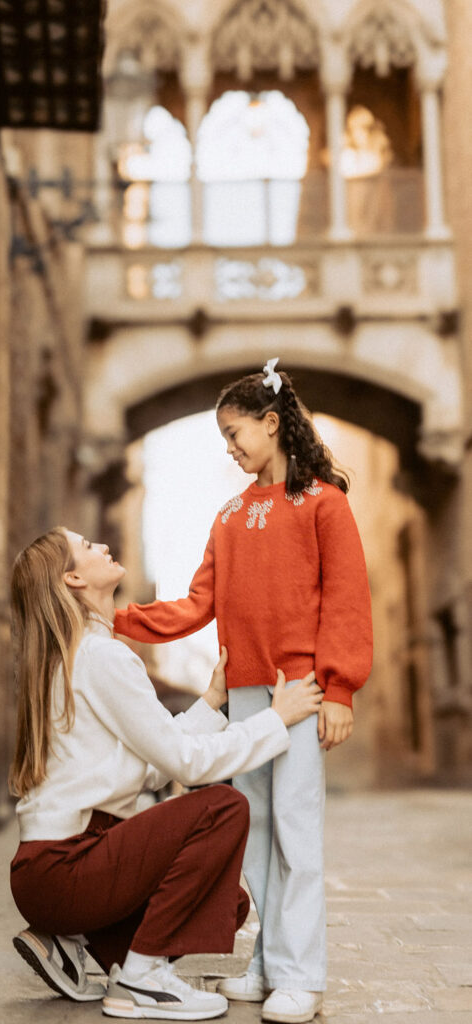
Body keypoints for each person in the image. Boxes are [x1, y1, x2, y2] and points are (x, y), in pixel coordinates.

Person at [114, 358, 373, 1024]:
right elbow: (197, 602)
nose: (229, 449)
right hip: (245, 699)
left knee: (295, 830)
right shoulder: (229, 515)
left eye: (235, 434)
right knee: (254, 828)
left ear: (270, 422)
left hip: (302, 693)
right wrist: (114, 619)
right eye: (222, 439)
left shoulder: (324, 504)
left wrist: (339, 688)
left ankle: (301, 974)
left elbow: (345, 600)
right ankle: (263, 961)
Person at [8, 525, 324, 1021]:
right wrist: (275, 720)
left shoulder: (74, 657)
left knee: (225, 906)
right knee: (223, 808)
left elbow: (151, 768)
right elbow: (186, 764)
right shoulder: (102, 657)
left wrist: (212, 701)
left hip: (49, 877)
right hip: (67, 867)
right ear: (71, 578)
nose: (103, 545)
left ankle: (71, 939)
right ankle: (142, 978)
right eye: (88, 546)